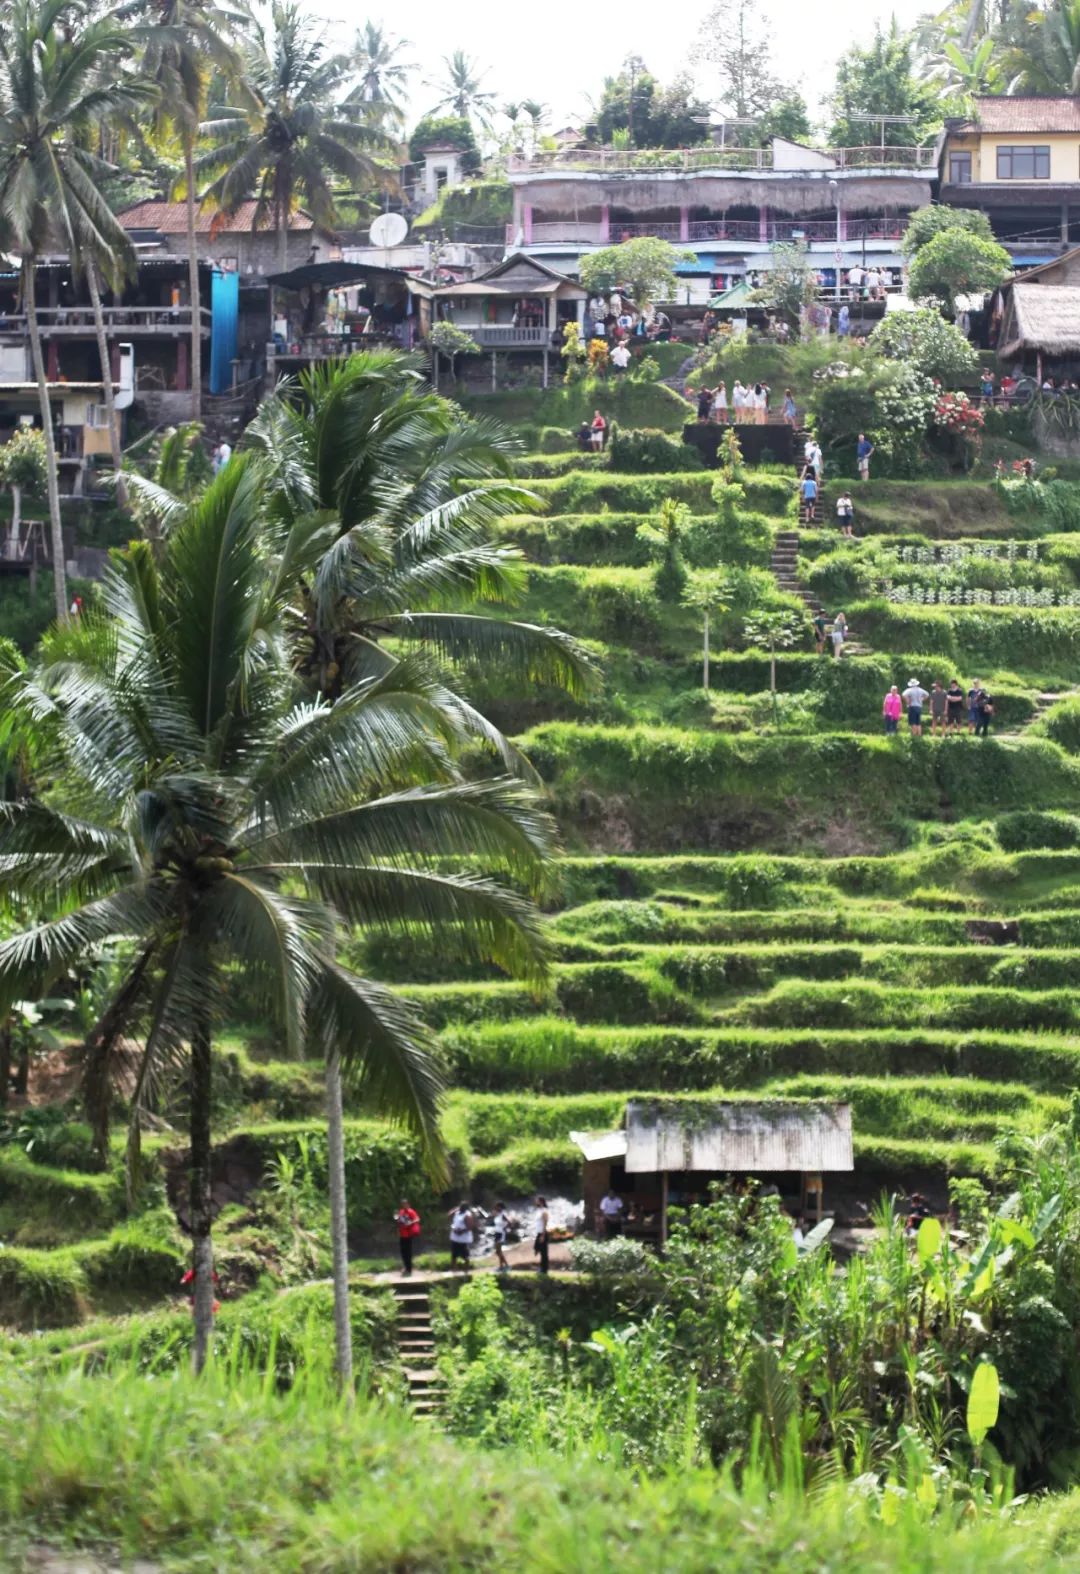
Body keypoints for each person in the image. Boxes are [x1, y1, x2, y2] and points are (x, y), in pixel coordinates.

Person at [394, 1199, 420, 1277]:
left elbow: (417, 1219)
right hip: (402, 1235)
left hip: (408, 1235)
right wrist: (397, 1220)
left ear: (408, 1204)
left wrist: (410, 1222)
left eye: (405, 1204)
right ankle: (405, 1267)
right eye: (403, 1204)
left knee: (408, 1253)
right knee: (403, 1252)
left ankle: (409, 1269)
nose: (404, 1205)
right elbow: (399, 1221)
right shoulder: (401, 1211)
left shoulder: (411, 1211)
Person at [448, 1201, 475, 1272]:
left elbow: (470, 1227)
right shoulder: (457, 1213)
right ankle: (454, 1270)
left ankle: (466, 1270)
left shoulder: (467, 1215)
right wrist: (455, 1209)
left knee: (465, 1255)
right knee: (454, 1255)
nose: (461, 1208)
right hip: (455, 1238)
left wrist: (461, 1231)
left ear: (466, 1208)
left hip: (464, 1239)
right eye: (460, 1206)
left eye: (462, 1207)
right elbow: (449, 1215)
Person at [492, 1201, 510, 1274]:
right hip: (497, 1233)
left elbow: (509, 1222)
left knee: (498, 1251)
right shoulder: (498, 1214)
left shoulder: (503, 1215)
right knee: (498, 1251)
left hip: (500, 1234)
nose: (496, 1208)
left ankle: (504, 1266)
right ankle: (503, 1266)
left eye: (497, 1207)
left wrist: (504, 1228)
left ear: (500, 1207)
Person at [534, 1196, 550, 1274]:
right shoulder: (538, 1211)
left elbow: (545, 1223)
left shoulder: (544, 1211)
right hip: (539, 1233)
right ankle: (541, 1267)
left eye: (537, 1201)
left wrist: (543, 1235)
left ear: (541, 1202)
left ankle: (544, 1269)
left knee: (544, 1252)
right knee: (538, 1248)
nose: (536, 1202)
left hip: (543, 1233)